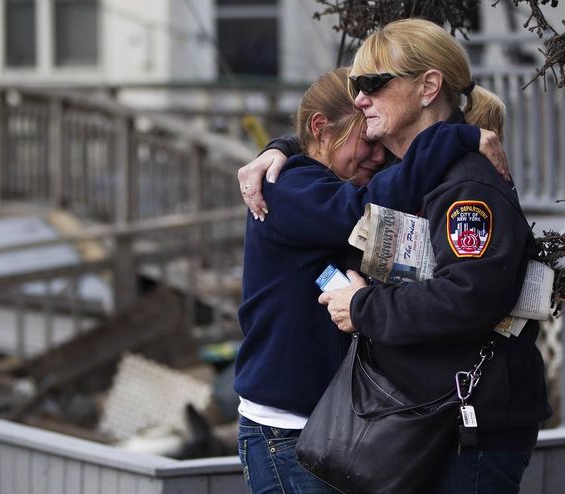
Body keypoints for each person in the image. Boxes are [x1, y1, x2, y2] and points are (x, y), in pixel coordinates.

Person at [234, 66, 507, 494]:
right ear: (321, 128)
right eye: (367, 141)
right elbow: (361, 206)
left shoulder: (337, 176)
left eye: (380, 144)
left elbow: (396, 167)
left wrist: (281, 144)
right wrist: (456, 136)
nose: (379, 157)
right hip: (285, 432)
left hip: (346, 424)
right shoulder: (284, 190)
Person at [317, 19, 552, 494]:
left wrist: (361, 308)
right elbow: (315, 143)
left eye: (372, 84)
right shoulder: (414, 173)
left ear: (428, 86)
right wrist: (276, 152)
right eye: (354, 86)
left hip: (466, 432)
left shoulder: (465, 183)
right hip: (425, 419)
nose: (360, 99)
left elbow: (468, 297)